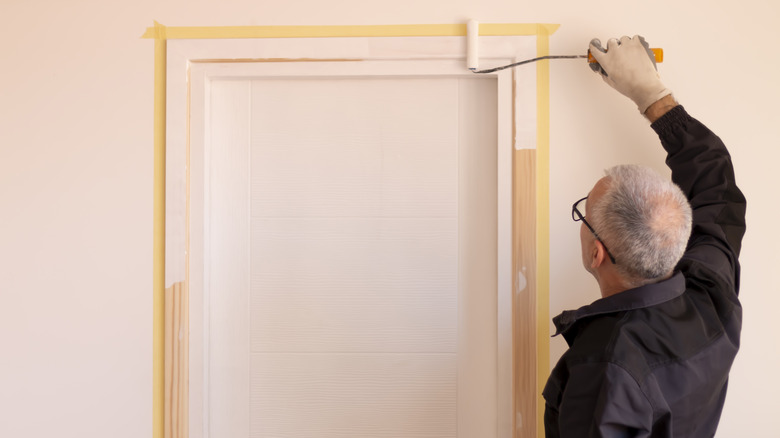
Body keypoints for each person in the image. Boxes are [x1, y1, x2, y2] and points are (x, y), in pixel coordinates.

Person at [542, 36, 747, 437]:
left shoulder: (605, 364)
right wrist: (652, 95)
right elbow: (715, 184)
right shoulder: (710, 294)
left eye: (583, 215)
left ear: (597, 253)